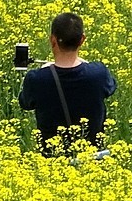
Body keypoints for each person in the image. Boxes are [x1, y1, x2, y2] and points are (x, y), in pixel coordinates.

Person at [19, 12, 117, 155]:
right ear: (82, 40)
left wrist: (45, 70)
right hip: (92, 160)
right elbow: (110, 87)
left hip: (52, 161)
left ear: (53, 40)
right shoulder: (98, 74)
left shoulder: (37, 79)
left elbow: (25, 103)